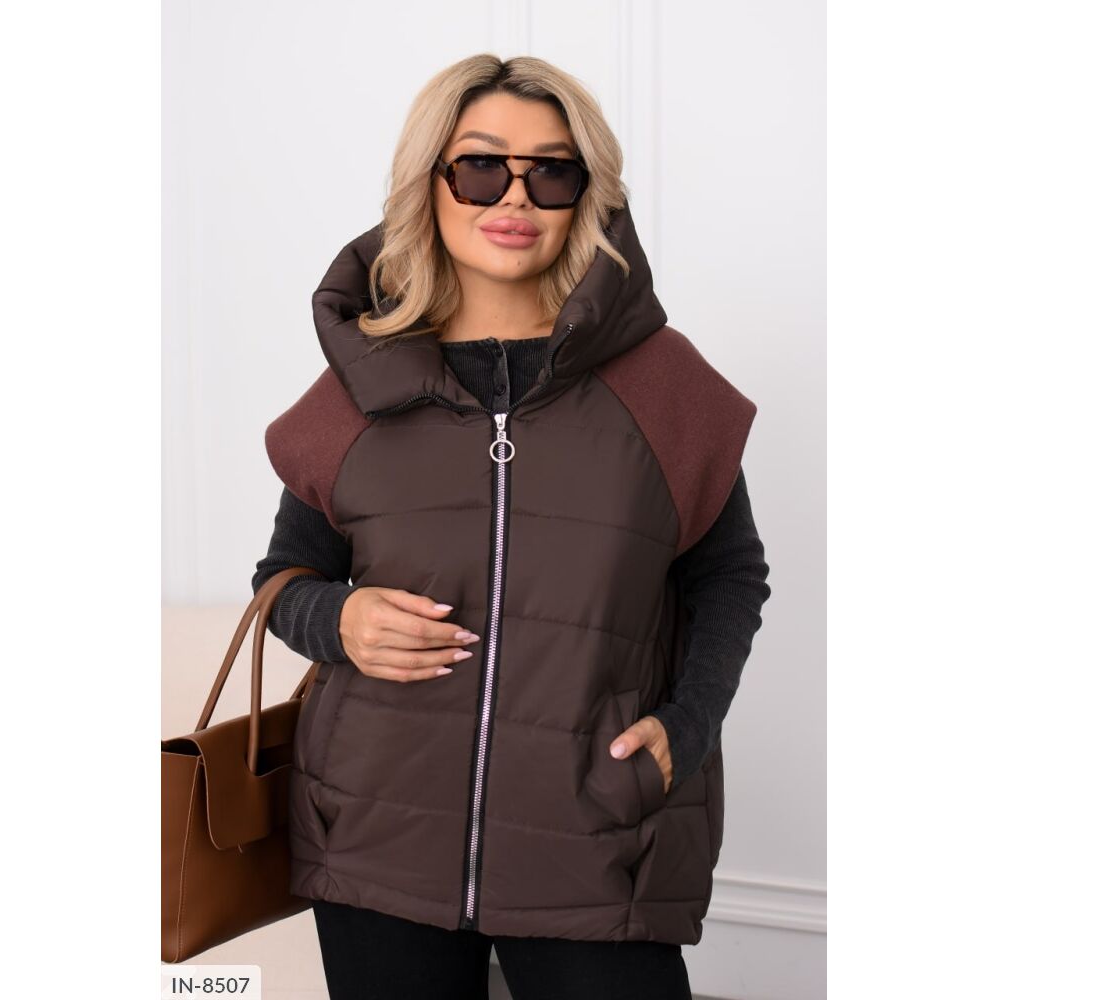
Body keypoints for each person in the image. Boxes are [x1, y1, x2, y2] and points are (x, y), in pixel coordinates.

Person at [252, 54, 771, 1000]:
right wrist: (339, 619)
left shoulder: (662, 386)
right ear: (430, 182)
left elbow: (726, 575)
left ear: (586, 197)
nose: (516, 196)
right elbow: (285, 577)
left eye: (552, 172)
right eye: (482, 166)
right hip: (372, 830)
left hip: (597, 830)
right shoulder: (363, 381)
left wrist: (686, 726)